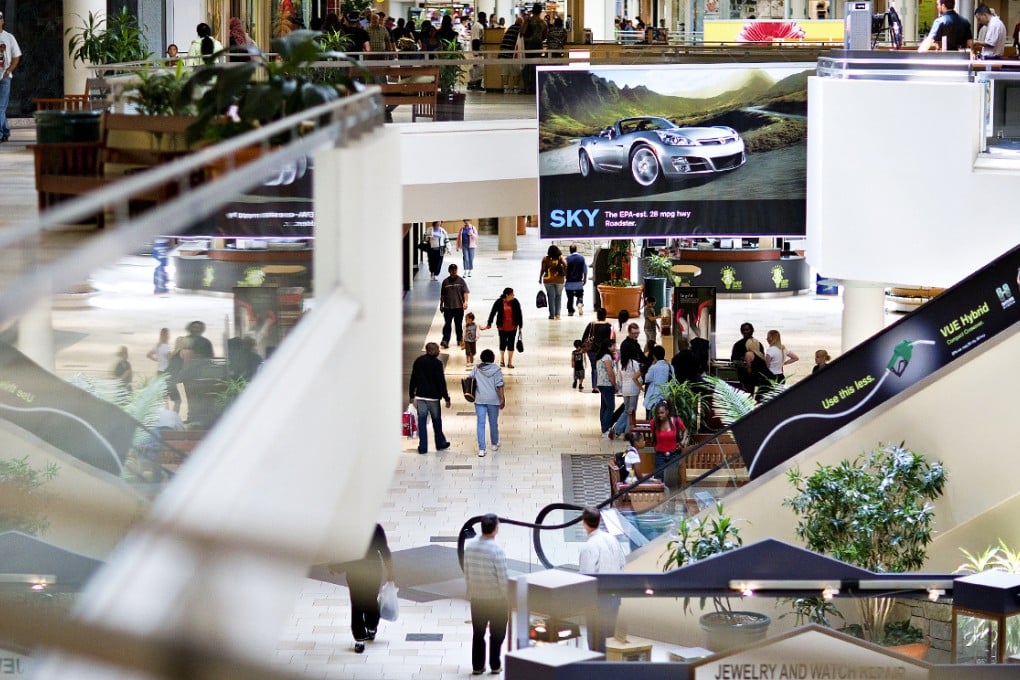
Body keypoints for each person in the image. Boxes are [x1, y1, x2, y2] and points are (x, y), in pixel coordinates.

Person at [463, 513, 509, 676]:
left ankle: (477, 665)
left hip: (477, 599)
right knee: (497, 634)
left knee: (478, 633)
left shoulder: (469, 547)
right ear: (496, 529)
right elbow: (503, 579)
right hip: (496, 600)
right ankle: (495, 664)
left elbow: (467, 571)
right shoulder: (497, 551)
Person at [339, 524, 394, 654]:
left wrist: (337, 567)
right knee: (370, 599)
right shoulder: (375, 528)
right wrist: (390, 573)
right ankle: (371, 627)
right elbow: (385, 552)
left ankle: (360, 638)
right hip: (373, 569)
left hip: (355, 569)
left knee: (357, 602)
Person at [578, 506, 626, 652]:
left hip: (597, 599)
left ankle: (596, 669)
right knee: (610, 637)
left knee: (596, 638)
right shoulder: (612, 539)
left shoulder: (589, 546)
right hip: (615, 595)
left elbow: (586, 575)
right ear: (599, 521)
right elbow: (622, 563)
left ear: (584, 523)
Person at [408, 342, 452, 454]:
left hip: (421, 396)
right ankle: (440, 443)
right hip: (433, 398)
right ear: (432, 350)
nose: (439, 351)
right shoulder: (437, 364)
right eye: (438, 349)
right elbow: (441, 382)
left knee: (422, 422)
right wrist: (446, 397)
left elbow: (413, 378)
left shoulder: (418, 361)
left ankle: (423, 447)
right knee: (436, 421)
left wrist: (411, 395)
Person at [470, 349, 505, 457]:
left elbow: (469, 380)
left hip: (479, 399)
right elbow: (499, 385)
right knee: (493, 422)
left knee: (480, 424)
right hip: (493, 400)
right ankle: (494, 443)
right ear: (493, 358)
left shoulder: (476, 369)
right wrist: (502, 399)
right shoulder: (497, 369)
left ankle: (482, 449)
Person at [611, 336, 643, 438]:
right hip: (633, 389)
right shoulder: (634, 363)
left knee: (626, 410)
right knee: (631, 411)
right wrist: (641, 386)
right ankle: (628, 432)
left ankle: (617, 429)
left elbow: (619, 378)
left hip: (625, 389)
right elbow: (639, 377)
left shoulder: (621, 363)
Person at [484, 287, 523, 368]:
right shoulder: (499, 302)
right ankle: (502, 360)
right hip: (502, 327)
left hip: (513, 327)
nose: (513, 295)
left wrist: (520, 325)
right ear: (507, 295)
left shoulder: (515, 302)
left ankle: (510, 361)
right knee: (502, 343)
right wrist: (489, 323)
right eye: (512, 294)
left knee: (511, 344)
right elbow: (493, 312)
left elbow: (519, 313)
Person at [650, 400, 685, 482]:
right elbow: (653, 436)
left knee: (672, 480)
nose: (660, 415)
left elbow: (685, 430)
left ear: (667, 412)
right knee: (659, 480)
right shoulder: (654, 423)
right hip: (660, 455)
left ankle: (672, 495)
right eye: (658, 413)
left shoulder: (676, 421)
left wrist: (683, 441)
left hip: (674, 454)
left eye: (662, 413)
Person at [0, 12, 22, 144]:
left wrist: (9, 70)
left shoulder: (9, 37)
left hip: (5, 77)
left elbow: (16, 56)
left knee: (1, 107)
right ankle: (5, 130)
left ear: (3, 21)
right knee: (1, 108)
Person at [730, 322, 769, 394]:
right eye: (743, 330)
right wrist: (743, 363)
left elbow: (761, 359)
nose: (745, 332)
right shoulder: (738, 344)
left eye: (747, 329)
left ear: (752, 330)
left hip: (755, 376)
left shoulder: (758, 344)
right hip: (743, 375)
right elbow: (733, 359)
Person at [581, 308, 614, 391]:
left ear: (597, 315)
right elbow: (610, 339)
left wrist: (583, 347)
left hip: (592, 350)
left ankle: (595, 387)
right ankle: (603, 384)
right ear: (605, 315)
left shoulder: (591, 324)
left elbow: (584, 337)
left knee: (594, 368)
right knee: (604, 368)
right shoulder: (608, 326)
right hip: (604, 351)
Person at [439, 263, 470, 350]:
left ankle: (459, 339)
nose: (454, 271)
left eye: (455, 270)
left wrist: (466, 302)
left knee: (458, 324)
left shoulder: (461, 281)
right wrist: (441, 305)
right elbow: (443, 295)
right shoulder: (445, 282)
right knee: (447, 324)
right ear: (449, 271)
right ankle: (445, 340)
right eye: (452, 270)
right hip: (448, 308)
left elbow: (465, 292)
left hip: (458, 307)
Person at [595, 337, 619, 438]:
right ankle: (606, 429)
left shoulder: (600, 357)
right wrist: (614, 384)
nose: (615, 347)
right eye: (614, 345)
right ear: (609, 346)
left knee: (604, 406)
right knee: (610, 406)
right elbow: (610, 372)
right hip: (607, 384)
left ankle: (604, 428)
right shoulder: (607, 357)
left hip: (601, 383)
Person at [642, 345, 672, 419]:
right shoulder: (670, 367)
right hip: (665, 396)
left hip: (653, 397)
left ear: (654, 356)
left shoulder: (653, 367)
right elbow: (673, 381)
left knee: (651, 420)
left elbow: (647, 379)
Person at [539, 245, 567, 319]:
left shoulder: (545, 259)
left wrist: (540, 278)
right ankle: (557, 314)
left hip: (548, 280)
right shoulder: (560, 258)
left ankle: (552, 315)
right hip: (559, 280)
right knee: (558, 296)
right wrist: (564, 272)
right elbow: (565, 264)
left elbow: (543, 269)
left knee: (551, 297)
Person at [564, 245, 588, 317]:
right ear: (576, 249)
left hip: (569, 283)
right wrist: (584, 279)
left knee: (570, 298)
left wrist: (565, 277)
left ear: (570, 250)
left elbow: (564, 270)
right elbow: (585, 270)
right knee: (580, 295)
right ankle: (579, 303)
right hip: (578, 282)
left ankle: (570, 311)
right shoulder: (581, 258)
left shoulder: (567, 259)